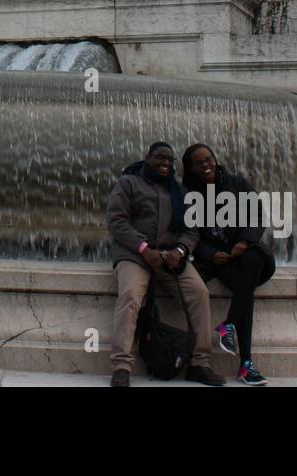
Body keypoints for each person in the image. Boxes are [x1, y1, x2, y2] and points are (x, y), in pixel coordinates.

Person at [106, 141, 226, 387]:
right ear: (147, 156)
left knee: (199, 293)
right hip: (135, 255)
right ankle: (121, 366)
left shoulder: (179, 191)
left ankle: (200, 363)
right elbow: (116, 221)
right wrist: (144, 249)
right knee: (129, 295)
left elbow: (192, 230)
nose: (165, 164)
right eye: (160, 158)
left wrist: (180, 250)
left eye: (170, 160)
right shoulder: (128, 183)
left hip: (171, 258)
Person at [181, 143, 276, 385]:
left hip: (244, 252)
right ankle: (246, 365)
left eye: (209, 159)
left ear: (215, 159)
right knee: (247, 287)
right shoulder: (187, 193)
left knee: (254, 260)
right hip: (217, 261)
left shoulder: (236, 183)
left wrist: (245, 240)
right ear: (190, 168)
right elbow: (188, 232)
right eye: (199, 162)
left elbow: (257, 214)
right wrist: (210, 253)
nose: (206, 165)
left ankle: (229, 323)